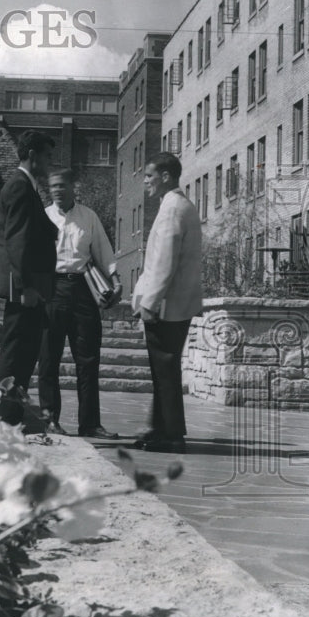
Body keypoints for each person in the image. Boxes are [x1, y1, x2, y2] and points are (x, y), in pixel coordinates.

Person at [0, 130, 57, 428]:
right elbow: (17, 242)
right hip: (23, 287)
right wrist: (27, 288)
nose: (50, 163)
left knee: (24, 352)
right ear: (33, 155)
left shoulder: (27, 186)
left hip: (28, 286)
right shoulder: (20, 187)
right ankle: (7, 417)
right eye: (47, 156)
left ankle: (13, 414)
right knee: (15, 353)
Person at [36, 169, 122, 438]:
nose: (57, 191)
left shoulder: (89, 217)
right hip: (52, 289)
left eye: (62, 186)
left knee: (88, 359)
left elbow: (103, 250)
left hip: (83, 289)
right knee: (49, 358)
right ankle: (50, 419)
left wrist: (116, 281)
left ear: (74, 187)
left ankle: (90, 424)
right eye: (53, 187)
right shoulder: (43, 217)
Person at [131, 152, 203, 454]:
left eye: (149, 176)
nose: (145, 182)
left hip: (167, 306)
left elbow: (164, 262)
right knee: (164, 369)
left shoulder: (173, 209)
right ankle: (161, 429)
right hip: (173, 304)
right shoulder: (176, 205)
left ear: (165, 177)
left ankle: (172, 435)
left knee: (165, 369)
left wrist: (150, 301)